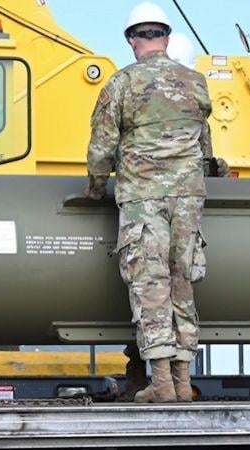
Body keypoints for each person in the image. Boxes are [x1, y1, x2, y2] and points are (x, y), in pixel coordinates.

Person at [85, 1, 211, 403]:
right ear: (167, 38)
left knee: (150, 284)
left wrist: (95, 188)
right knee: (182, 282)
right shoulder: (196, 83)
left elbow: (101, 149)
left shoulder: (122, 84)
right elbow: (204, 147)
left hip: (143, 199)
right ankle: (181, 381)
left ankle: (161, 383)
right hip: (188, 199)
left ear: (131, 39)